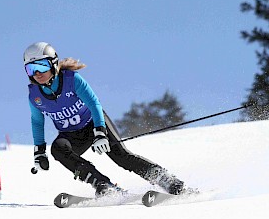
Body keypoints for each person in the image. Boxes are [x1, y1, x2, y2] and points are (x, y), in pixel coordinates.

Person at [24, 42, 185, 196]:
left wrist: (100, 132)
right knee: (58, 149)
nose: (37, 73)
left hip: (94, 123)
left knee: (122, 157)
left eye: (41, 66)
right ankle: (103, 185)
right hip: (72, 135)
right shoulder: (35, 95)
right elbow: (37, 121)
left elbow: (94, 103)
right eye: (31, 69)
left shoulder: (71, 79)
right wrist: (39, 152)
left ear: (53, 64)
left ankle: (168, 181)